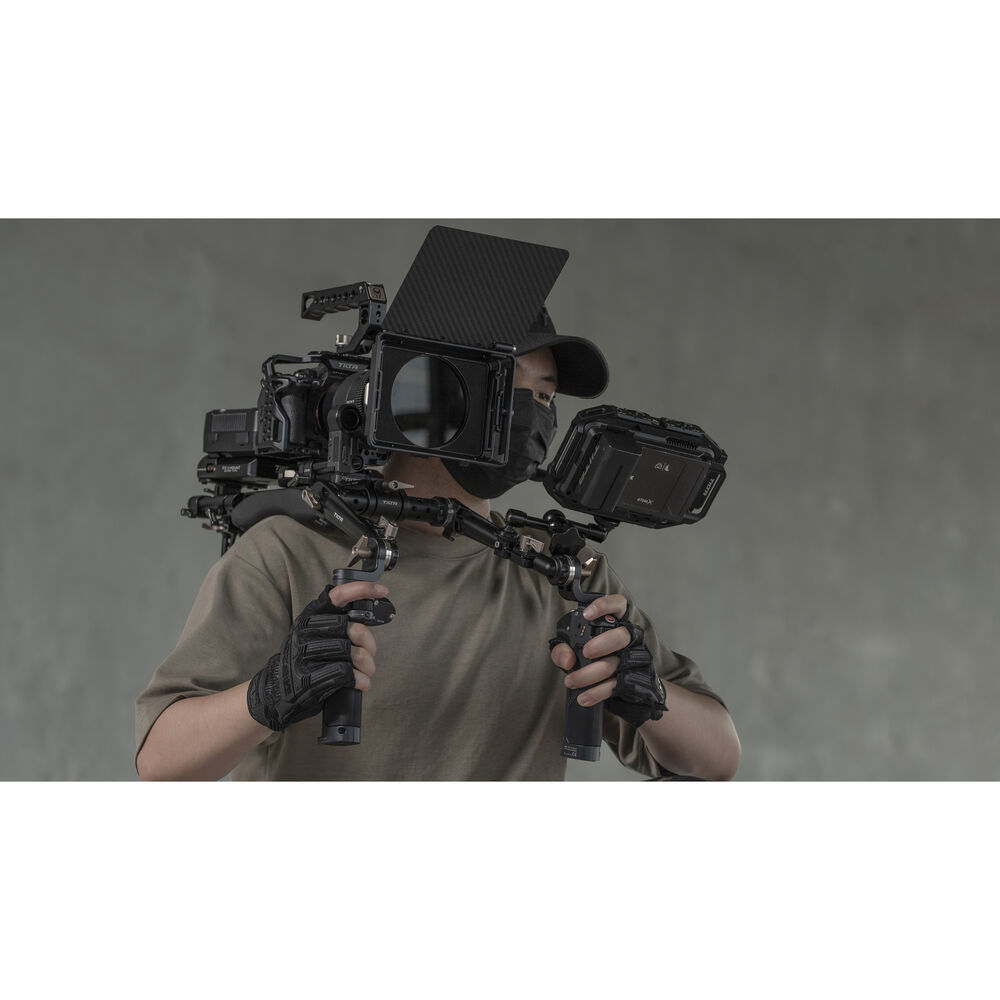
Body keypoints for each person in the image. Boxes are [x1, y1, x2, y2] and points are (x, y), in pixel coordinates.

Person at [135, 324, 740, 781]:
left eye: (546, 396)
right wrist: (267, 695)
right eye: (512, 388)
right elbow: (160, 761)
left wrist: (650, 695)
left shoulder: (564, 574)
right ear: (431, 391)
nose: (534, 416)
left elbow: (720, 756)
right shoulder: (289, 553)